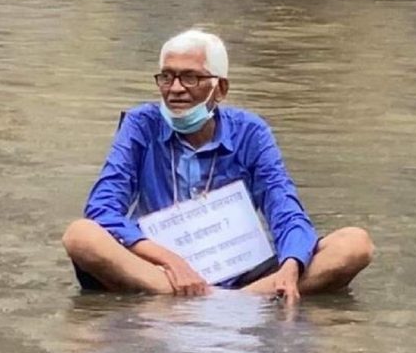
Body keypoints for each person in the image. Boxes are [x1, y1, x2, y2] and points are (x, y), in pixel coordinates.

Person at [62, 29, 373, 305]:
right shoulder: (140, 124)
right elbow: (103, 208)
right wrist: (170, 260)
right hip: (159, 269)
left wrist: (292, 264)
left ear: (220, 89)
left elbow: (285, 209)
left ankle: (228, 302)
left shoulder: (251, 131)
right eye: (167, 77)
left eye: (191, 77)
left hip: (241, 271)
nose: (176, 88)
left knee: (354, 245)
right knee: (80, 236)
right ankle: (222, 303)